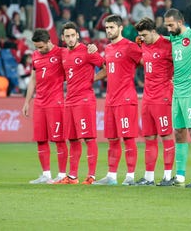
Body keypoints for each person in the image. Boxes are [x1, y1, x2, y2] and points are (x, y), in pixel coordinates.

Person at [91, 15, 142, 185]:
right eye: (106, 28)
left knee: (128, 138)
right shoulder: (109, 48)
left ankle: (130, 177)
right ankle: (111, 177)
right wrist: (90, 79)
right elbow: (107, 70)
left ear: (120, 28)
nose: (108, 31)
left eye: (112, 27)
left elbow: (146, 62)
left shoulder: (130, 47)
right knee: (112, 139)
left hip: (126, 99)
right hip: (110, 100)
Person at [163, 8, 191, 187]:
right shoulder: (172, 39)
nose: (168, 28)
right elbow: (160, 40)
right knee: (178, 133)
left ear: (180, 22)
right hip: (177, 92)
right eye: (166, 25)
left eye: (170, 25)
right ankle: (180, 175)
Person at [21, 28, 68, 184]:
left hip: (55, 102)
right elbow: (33, 79)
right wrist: (27, 101)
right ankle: (46, 175)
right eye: (36, 47)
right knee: (41, 139)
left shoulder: (61, 52)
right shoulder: (35, 56)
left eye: (41, 47)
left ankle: (62, 175)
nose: (38, 50)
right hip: (39, 102)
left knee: (59, 139)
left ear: (49, 41)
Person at [59, 22, 103, 185]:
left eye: (72, 35)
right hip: (69, 100)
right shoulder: (63, 53)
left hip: (84, 100)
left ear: (77, 35)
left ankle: (91, 176)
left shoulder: (87, 51)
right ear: (63, 38)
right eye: (67, 36)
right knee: (72, 139)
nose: (70, 39)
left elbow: (105, 66)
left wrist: (92, 79)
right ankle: (72, 177)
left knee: (89, 138)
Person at [134, 17, 175, 186]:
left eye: (144, 34)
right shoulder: (142, 43)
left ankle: (168, 176)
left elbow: (182, 63)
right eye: (140, 35)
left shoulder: (168, 45)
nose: (142, 38)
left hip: (163, 97)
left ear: (153, 32)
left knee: (166, 136)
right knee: (149, 138)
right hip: (147, 98)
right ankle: (149, 177)